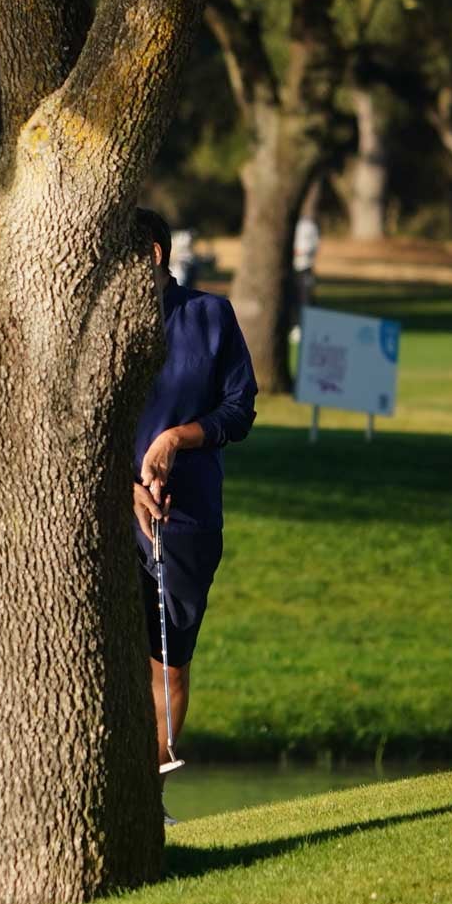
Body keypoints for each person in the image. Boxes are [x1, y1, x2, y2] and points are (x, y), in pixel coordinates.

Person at [131, 209, 257, 822]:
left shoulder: (210, 317)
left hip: (188, 517)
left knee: (169, 662)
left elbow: (239, 409)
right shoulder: (99, 325)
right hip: (110, 513)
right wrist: (128, 487)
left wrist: (178, 437)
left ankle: (150, 801)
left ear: (154, 255)